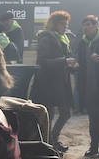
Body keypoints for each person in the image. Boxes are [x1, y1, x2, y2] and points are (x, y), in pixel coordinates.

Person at [31, 10, 77, 151]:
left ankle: (53, 139)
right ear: (54, 24)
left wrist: (72, 66)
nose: (65, 27)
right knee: (48, 115)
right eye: (62, 24)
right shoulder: (46, 38)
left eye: (66, 24)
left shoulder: (63, 39)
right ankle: (48, 145)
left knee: (65, 113)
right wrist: (65, 61)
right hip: (47, 83)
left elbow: (64, 61)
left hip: (60, 83)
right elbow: (43, 61)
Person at [76, 15, 99, 158]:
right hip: (88, 86)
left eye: (88, 25)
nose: (85, 28)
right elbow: (81, 63)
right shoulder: (82, 42)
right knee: (92, 119)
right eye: (84, 25)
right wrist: (75, 66)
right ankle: (93, 146)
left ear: (96, 26)